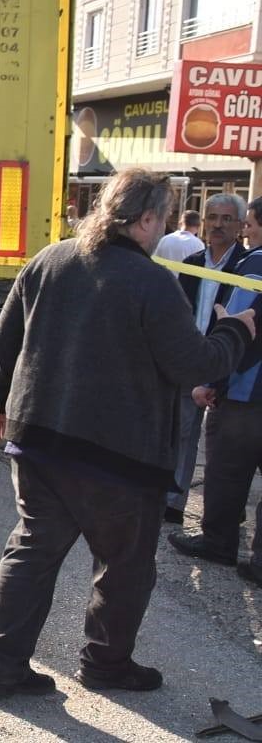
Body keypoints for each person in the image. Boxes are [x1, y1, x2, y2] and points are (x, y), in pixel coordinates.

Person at [0, 169, 255, 697]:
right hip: (119, 456)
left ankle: (3, 667)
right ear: (147, 219)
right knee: (125, 567)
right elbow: (191, 363)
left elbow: (5, 335)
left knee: (32, 551)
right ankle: (105, 666)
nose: (164, 229)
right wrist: (233, 330)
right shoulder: (150, 280)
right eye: (164, 220)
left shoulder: (50, 258)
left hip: (39, 437)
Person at [169, 195, 262, 588]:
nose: (247, 230)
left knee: (226, 470)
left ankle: (219, 541)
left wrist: (213, 380)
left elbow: (241, 327)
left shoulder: (254, 264)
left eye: (251, 223)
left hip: (246, 392)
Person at [167, 193, 247, 523]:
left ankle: (226, 515)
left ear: (241, 225)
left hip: (231, 369)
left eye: (226, 219)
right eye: (212, 217)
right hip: (191, 362)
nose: (217, 224)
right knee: (181, 435)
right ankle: (173, 503)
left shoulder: (248, 265)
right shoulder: (192, 264)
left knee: (225, 450)